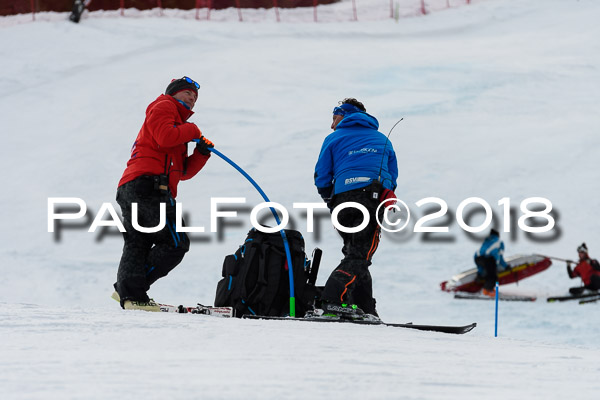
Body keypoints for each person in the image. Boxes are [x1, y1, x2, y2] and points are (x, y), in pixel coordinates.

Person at [112, 77, 214, 311]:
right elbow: (165, 137)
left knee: (138, 241)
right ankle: (130, 291)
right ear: (174, 93)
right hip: (147, 186)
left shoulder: (177, 125)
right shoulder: (164, 106)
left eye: (195, 96)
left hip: (135, 185)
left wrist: (201, 153)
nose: (192, 98)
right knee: (175, 242)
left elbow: (183, 172)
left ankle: (130, 295)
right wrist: (193, 130)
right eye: (187, 93)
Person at [314, 98, 398, 318]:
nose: (332, 125)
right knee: (360, 256)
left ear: (345, 115)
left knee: (355, 253)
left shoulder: (333, 138)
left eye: (334, 118)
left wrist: (331, 200)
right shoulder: (382, 139)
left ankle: (364, 307)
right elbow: (392, 175)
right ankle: (331, 300)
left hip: (342, 201)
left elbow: (322, 176)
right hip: (370, 200)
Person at [474, 228, 509, 297]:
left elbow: (481, 255)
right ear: (498, 235)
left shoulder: (486, 241)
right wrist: (506, 266)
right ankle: (487, 291)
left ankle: (482, 281)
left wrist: (480, 273)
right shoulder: (499, 242)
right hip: (488, 258)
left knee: (488, 271)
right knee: (493, 275)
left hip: (477, 258)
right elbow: (500, 257)